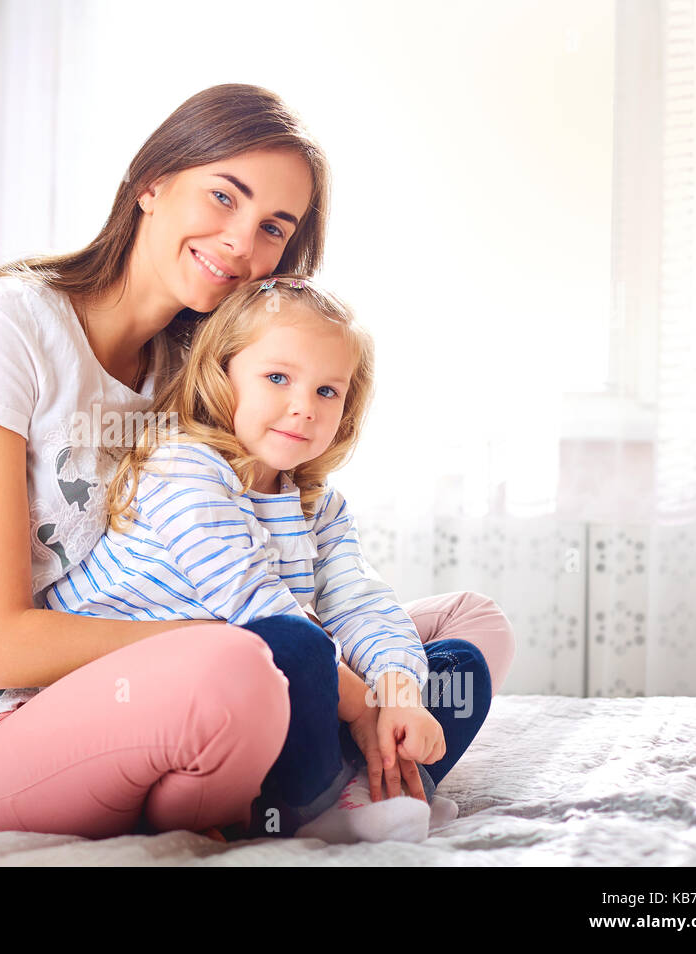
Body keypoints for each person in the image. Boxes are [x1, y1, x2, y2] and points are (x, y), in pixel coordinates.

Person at [0, 83, 516, 840]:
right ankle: (303, 782)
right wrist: (302, 668)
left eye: (273, 228)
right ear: (152, 183)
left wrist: (384, 688)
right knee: (257, 663)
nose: (241, 243)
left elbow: (306, 565)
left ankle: (349, 779)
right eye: (223, 196)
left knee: (467, 630)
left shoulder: (201, 370)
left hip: (188, 667)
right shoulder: (4, 329)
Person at [43, 275, 464, 843]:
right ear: (222, 376)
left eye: (327, 391)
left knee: (459, 666)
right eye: (277, 378)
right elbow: (251, 603)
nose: (303, 407)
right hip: (130, 697)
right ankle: (313, 804)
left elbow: (359, 603)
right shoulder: (183, 466)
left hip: (254, 683)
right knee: (292, 644)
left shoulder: (322, 507)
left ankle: (379, 784)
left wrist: (397, 694)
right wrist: (363, 709)